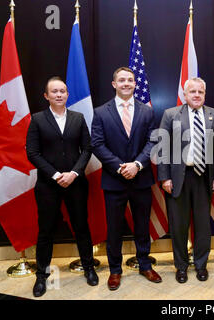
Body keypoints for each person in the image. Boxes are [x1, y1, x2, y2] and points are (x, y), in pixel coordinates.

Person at [91, 67, 161, 291]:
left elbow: (153, 141)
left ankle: (144, 264)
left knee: (142, 225)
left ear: (135, 83)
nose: (126, 83)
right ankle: (115, 270)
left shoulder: (147, 111)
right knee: (114, 228)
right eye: (121, 80)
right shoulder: (101, 112)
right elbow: (97, 144)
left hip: (141, 178)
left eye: (130, 80)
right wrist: (120, 167)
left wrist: (137, 165)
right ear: (114, 84)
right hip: (114, 180)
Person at [26, 77, 97, 297]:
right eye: (54, 92)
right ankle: (41, 276)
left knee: (81, 227)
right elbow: (33, 153)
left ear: (67, 95)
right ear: (46, 96)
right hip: (48, 185)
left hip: (75, 183)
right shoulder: (37, 119)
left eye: (62, 91)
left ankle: (89, 268)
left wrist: (74, 173)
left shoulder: (78, 117)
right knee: (46, 231)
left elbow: (87, 149)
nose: (59, 95)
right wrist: (57, 175)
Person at [157, 77, 214, 283]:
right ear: (185, 94)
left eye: (200, 92)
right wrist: (165, 177)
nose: (197, 95)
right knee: (179, 225)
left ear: (205, 94)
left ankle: (201, 264)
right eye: (192, 92)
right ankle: (181, 266)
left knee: (203, 225)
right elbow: (162, 148)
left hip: (204, 178)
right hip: (179, 178)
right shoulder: (170, 114)